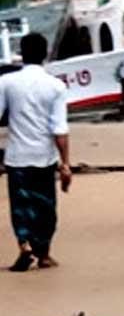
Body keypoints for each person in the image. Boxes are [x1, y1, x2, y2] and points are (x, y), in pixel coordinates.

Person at [0, 33, 72, 271]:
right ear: (45, 54)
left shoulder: (6, 82)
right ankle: (44, 254)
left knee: (20, 204)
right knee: (45, 207)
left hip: (17, 156)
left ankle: (24, 245)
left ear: (22, 53)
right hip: (44, 156)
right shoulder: (56, 86)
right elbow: (59, 128)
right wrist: (66, 163)